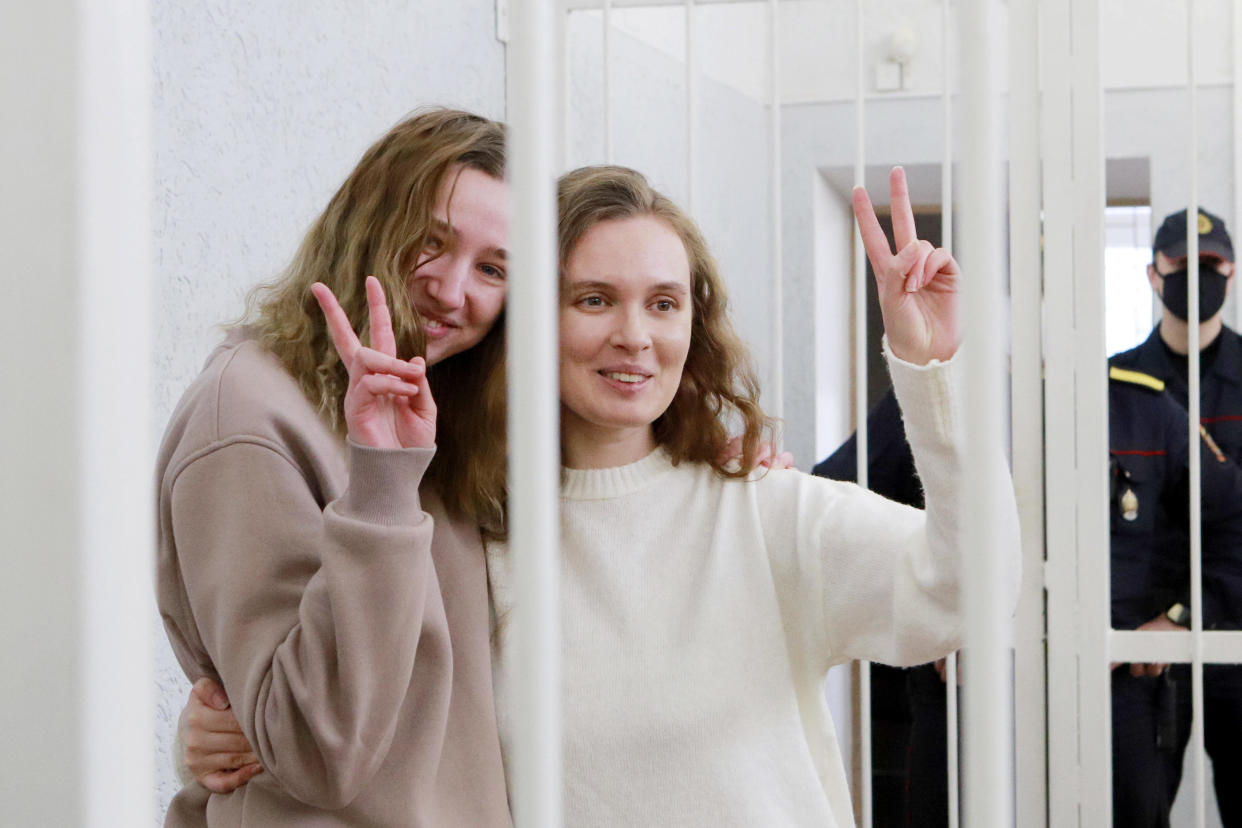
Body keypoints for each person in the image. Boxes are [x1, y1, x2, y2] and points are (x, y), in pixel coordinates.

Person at [483, 164, 1019, 826]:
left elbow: (967, 593)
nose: (635, 335)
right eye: (594, 298)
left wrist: (935, 373)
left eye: (663, 303)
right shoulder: (473, 533)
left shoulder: (762, 509)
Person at [156, 108, 514, 826]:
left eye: (493, 268)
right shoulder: (247, 418)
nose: (452, 288)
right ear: (368, 221)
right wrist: (381, 485)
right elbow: (315, 747)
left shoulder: (458, 414)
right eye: (430, 242)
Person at [1109, 206, 1242, 827]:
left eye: (1211, 264)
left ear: (1232, 273)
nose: (1198, 275)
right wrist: (1160, 622)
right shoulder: (1118, 385)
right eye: (1182, 264)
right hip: (1146, 653)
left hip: (1236, 634)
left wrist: (1189, 616)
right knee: (1138, 812)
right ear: (1154, 274)